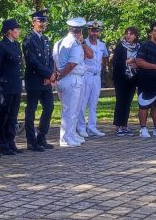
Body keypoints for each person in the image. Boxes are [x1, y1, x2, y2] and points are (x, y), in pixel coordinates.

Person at [23, 10, 56, 151]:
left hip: (46, 81)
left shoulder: (46, 39)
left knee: (49, 107)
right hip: (34, 80)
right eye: (40, 21)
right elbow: (32, 61)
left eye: (44, 21)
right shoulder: (28, 39)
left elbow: (49, 58)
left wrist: (50, 76)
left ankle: (41, 136)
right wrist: (48, 74)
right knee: (31, 110)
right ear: (33, 22)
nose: (42, 24)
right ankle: (31, 142)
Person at [56, 18, 87, 147]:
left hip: (65, 78)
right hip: (71, 77)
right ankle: (66, 137)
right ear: (80, 31)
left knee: (69, 109)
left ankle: (71, 134)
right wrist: (61, 75)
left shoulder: (60, 41)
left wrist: (58, 75)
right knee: (71, 110)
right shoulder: (74, 43)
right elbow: (72, 64)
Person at [0, 19, 24, 154]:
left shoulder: (17, 45)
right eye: (16, 29)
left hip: (15, 85)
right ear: (9, 31)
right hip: (5, 85)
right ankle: (2, 143)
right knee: (3, 115)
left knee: (13, 115)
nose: (18, 32)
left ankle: (10, 140)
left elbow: (19, 65)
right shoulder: (1, 46)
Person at [81, 21, 109, 137]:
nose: (94, 33)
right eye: (92, 30)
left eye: (96, 31)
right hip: (86, 75)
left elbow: (105, 57)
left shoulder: (102, 45)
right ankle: (81, 127)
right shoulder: (83, 43)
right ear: (88, 31)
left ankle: (92, 127)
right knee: (82, 103)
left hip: (96, 76)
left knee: (93, 103)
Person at [112, 27, 140, 135]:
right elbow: (115, 62)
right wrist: (127, 62)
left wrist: (136, 63)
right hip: (121, 79)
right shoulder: (120, 47)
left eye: (131, 34)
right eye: (127, 34)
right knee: (120, 101)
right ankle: (118, 125)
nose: (129, 36)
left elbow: (141, 59)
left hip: (132, 78)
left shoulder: (138, 47)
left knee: (128, 102)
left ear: (135, 36)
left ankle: (125, 125)